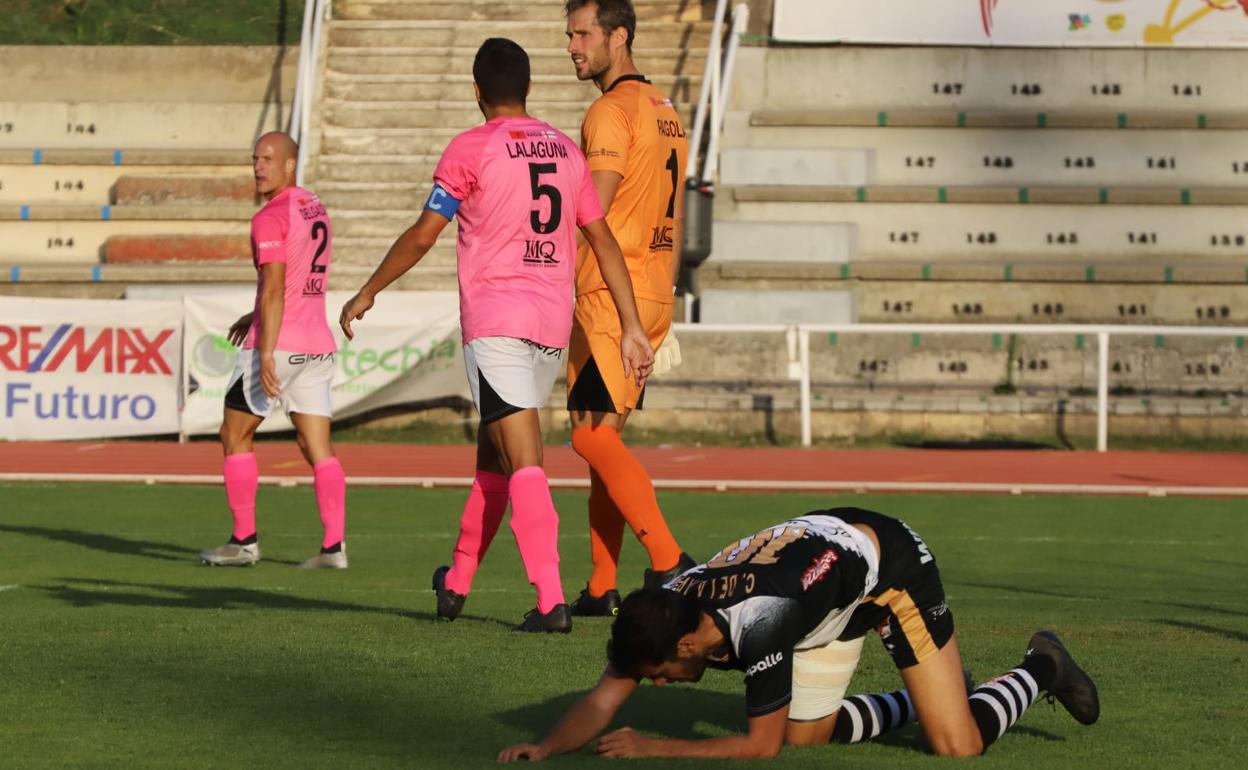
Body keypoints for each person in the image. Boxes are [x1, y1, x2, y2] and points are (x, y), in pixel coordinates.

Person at [338, 38, 655, 632]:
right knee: (495, 455)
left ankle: (550, 601)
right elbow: (604, 241)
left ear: (476, 90)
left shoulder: (470, 148)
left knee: (525, 459)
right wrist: (633, 326)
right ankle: (455, 582)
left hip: (496, 325)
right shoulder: (564, 148)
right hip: (549, 327)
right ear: (529, 89)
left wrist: (368, 289)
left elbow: (423, 234)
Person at [498, 506, 1099, 760]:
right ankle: (939, 688)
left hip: (889, 573)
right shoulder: (667, 610)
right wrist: (548, 747)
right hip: (822, 583)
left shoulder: (764, 621)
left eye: (658, 675)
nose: (654, 685)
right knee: (809, 737)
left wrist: (657, 747)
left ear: (686, 647)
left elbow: (762, 748)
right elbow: (607, 695)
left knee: (956, 745)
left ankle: (1043, 666)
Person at [561, 0, 694, 617]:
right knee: (602, 440)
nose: (572, 46)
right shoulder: (666, 111)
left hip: (611, 294)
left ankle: (670, 562)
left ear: (619, 35)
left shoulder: (609, 111)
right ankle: (600, 585)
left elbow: (594, 210)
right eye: (569, 35)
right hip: (653, 286)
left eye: (583, 33)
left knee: (588, 437)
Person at [199, 131, 348, 570]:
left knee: (234, 434)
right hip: (316, 345)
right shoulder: (313, 205)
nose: (259, 167)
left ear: (289, 164)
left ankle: (243, 541)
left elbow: (278, 287)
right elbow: (292, 280)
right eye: (255, 159)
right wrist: (254, 313)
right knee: (316, 444)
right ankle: (334, 547)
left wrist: (265, 351)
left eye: (268, 159)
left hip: (279, 344)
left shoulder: (270, 216)